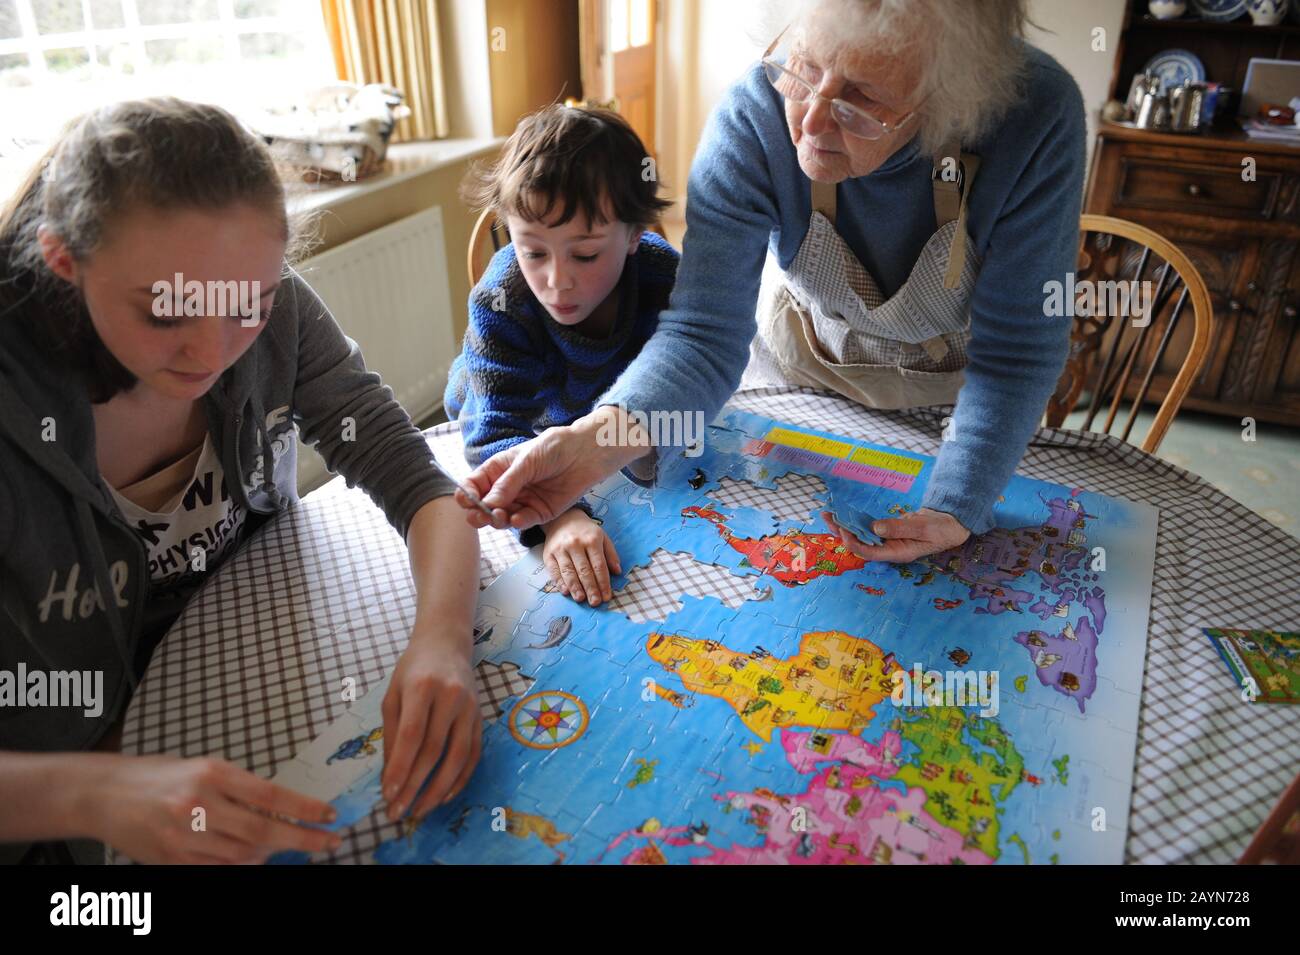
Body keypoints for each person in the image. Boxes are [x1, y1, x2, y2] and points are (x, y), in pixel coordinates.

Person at [0, 98, 482, 864]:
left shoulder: (277, 307)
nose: (211, 352)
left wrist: (444, 641)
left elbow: (421, 482)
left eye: (246, 308)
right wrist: (89, 792)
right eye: (166, 311)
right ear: (65, 258)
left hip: (255, 689)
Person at [457, 0, 1085, 568]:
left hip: (952, 394)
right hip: (802, 372)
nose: (809, 123)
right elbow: (702, 335)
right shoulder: (755, 113)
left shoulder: (1035, 117)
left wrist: (957, 503)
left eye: (858, 101)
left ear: (948, 103)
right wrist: (594, 444)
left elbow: (1015, 354)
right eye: (803, 67)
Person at [444, 104, 678, 607]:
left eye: (586, 254)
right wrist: (559, 515)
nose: (557, 281)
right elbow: (492, 433)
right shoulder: (500, 298)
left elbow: (688, 378)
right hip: (499, 400)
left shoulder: (664, 276)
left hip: (594, 413)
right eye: (533, 252)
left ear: (637, 234)